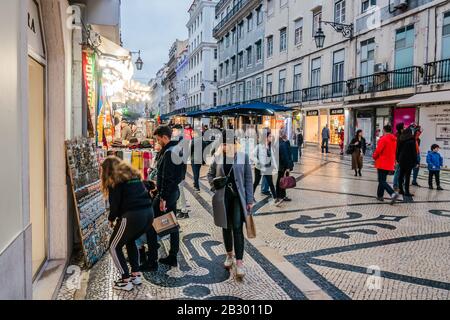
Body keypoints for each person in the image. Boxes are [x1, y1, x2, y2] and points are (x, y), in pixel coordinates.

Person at [100, 156, 154, 291]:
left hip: (132, 216)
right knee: (130, 241)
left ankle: (125, 280)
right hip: (148, 214)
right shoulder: (133, 175)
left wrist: (111, 219)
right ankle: (135, 274)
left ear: (107, 170)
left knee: (113, 246)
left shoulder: (114, 180)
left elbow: (115, 206)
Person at [207, 130, 253, 279]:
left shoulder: (243, 157)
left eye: (229, 143)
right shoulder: (218, 157)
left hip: (238, 198)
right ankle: (229, 255)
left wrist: (249, 200)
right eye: (224, 143)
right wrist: (214, 187)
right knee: (226, 227)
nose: (226, 146)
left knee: (238, 228)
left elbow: (248, 179)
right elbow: (210, 174)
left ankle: (239, 262)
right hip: (223, 197)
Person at [145, 126, 185, 270]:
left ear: (164, 137)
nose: (157, 142)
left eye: (158, 139)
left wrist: (162, 197)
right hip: (173, 192)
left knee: (150, 222)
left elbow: (165, 177)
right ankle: (173, 256)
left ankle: (152, 260)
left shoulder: (168, 153)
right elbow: (181, 175)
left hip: (166, 195)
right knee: (173, 224)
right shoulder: (177, 150)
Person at [372, 125, 400, 204]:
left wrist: (374, 156)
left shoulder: (383, 139)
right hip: (389, 162)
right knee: (382, 179)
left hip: (382, 162)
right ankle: (380, 196)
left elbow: (378, 150)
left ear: (384, 130)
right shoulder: (394, 139)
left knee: (381, 180)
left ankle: (392, 193)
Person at [253, 132, 278, 204]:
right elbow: (253, 155)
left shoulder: (270, 146)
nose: (271, 138)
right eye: (269, 136)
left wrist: (276, 167)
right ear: (266, 137)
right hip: (259, 168)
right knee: (256, 183)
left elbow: (272, 157)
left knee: (271, 183)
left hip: (267, 168)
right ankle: (250, 197)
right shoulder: (259, 146)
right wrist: (257, 162)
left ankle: (275, 198)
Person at [397, 128, 419, 198]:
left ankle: (400, 189)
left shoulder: (401, 139)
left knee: (401, 175)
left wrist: (397, 159)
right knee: (407, 176)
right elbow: (414, 152)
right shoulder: (412, 140)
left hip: (401, 160)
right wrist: (416, 161)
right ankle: (406, 191)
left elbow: (398, 150)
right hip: (409, 161)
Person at [276, 130, 294, 203]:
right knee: (282, 181)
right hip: (283, 166)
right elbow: (285, 156)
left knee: (280, 180)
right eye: (285, 134)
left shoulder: (279, 142)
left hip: (279, 165)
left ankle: (280, 195)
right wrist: (287, 167)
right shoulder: (282, 144)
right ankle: (281, 195)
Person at [393, 123, 405, 191]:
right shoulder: (397, 136)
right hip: (399, 157)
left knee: (401, 172)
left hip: (402, 156)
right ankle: (395, 185)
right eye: (404, 127)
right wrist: (396, 159)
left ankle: (399, 184)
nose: (405, 128)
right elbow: (396, 148)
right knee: (398, 171)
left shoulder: (401, 135)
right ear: (401, 129)